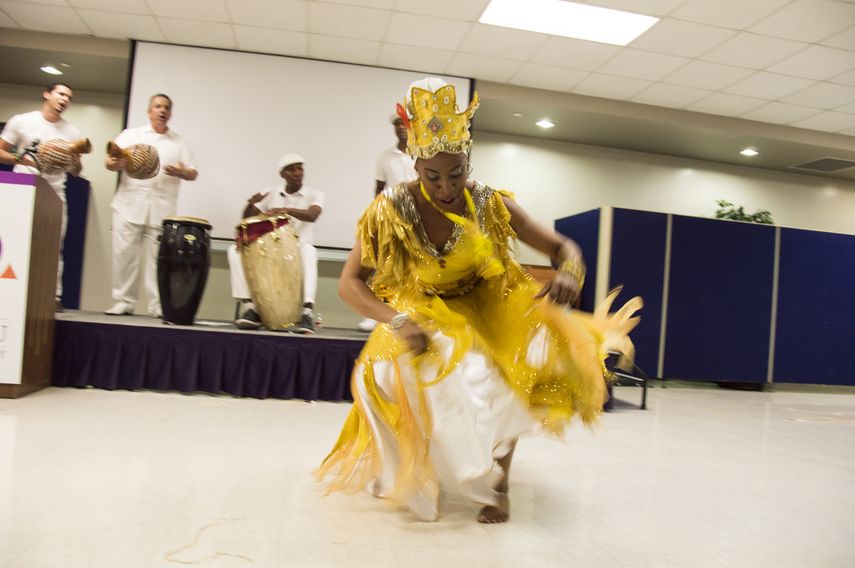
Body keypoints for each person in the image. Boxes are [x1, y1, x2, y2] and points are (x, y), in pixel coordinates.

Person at [318, 78, 641, 523]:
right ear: (415, 166)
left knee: (510, 371)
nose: (448, 186)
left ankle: (497, 479)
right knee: (390, 374)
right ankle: (420, 463)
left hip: (490, 301)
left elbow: (565, 247)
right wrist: (395, 321)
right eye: (433, 176)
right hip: (422, 304)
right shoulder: (389, 209)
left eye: (458, 173)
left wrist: (570, 271)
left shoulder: (489, 202)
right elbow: (350, 283)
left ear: (469, 162)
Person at [105, 94, 198, 318]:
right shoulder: (131, 135)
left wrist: (181, 171)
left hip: (162, 210)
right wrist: (115, 163)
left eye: (166, 107)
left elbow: (193, 172)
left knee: (159, 261)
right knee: (124, 255)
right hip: (128, 205)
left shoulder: (179, 142)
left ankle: (158, 306)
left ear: (170, 114)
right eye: (157, 106)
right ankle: (123, 301)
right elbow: (109, 162)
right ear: (149, 111)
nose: (162, 110)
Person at [0, 83, 83, 312]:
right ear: (47, 94)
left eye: (69, 96)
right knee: (15, 240)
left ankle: (52, 295)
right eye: (61, 93)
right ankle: (9, 291)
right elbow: (1, 150)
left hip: (55, 192)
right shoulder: (22, 121)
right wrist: (22, 159)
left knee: (54, 245)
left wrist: (74, 163)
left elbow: (76, 172)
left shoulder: (73, 134)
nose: (65, 99)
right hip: (23, 189)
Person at [228, 154, 324, 334]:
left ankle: (307, 312)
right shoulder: (270, 193)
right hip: (270, 250)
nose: (297, 173)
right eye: (292, 169)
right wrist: (250, 204)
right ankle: (251, 308)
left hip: (298, 247)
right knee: (234, 250)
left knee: (310, 251)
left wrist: (286, 210)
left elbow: (313, 215)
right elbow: (247, 220)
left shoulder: (315, 194)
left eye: (300, 168)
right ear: (283, 174)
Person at [357, 114, 418, 332]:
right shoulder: (385, 157)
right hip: (391, 217)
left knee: (412, 268)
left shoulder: (421, 153)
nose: (401, 128)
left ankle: (407, 314)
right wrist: (376, 215)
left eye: (405, 123)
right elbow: (379, 189)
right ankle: (376, 315)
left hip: (418, 219)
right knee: (384, 266)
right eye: (397, 124)